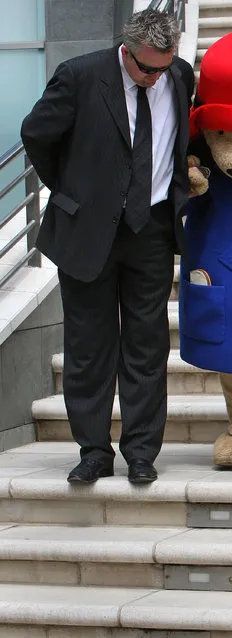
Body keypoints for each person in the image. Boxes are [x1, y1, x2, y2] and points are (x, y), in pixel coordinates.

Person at [21, 9, 195, 484]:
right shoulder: (80, 76)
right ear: (127, 49)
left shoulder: (180, 75)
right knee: (88, 346)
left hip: (153, 231)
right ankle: (94, 450)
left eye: (165, 66)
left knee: (147, 344)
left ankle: (141, 451)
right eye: (147, 68)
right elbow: (36, 134)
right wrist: (72, 192)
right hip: (88, 233)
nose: (156, 76)